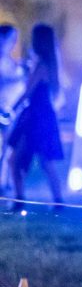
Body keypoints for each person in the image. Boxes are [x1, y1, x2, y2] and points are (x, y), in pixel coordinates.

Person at [6, 24, 64, 211]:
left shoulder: (41, 66)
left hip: (35, 118)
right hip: (43, 116)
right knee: (45, 161)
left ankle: (20, 199)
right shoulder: (49, 64)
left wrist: (10, 110)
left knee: (16, 160)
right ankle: (56, 201)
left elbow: (27, 93)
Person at [0, 25, 25, 193]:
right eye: (12, 38)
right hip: (3, 109)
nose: (15, 42)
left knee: (7, 148)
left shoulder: (10, 61)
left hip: (9, 110)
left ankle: (4, 182)